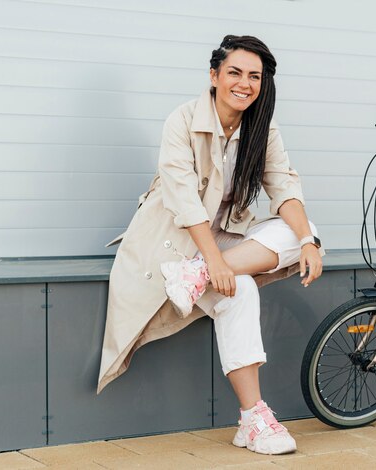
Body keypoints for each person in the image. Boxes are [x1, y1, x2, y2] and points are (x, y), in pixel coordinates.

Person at [97, 35, 324, 455]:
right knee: (243, 288)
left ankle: (195, 276)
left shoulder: (262, 127)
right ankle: (254, 417)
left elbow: (284, 184)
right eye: (235, 72)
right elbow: (183, 201)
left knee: (302, 227)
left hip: (217, 243)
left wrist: (308, 243)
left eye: (254, 76)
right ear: (214, 75)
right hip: (172, 241)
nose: (245, 83)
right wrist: (216, 261)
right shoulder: (181, 121)